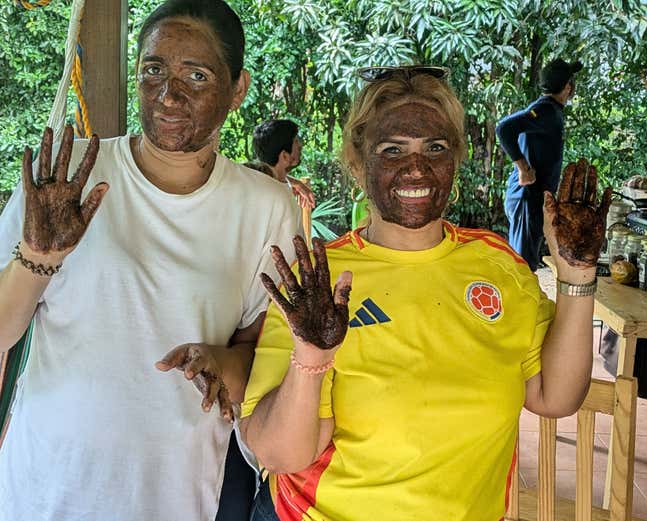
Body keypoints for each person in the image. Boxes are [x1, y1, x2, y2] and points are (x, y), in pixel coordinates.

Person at [0, 1, 300, 520]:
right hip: (41, 493)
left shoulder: (266, 208)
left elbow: (264, 355)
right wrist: (36, 256)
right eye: (154, 70)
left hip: (172, 498)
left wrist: (222, 364)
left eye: (197, 75)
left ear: (238, 90)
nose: (169, 94)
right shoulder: (70, 175)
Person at [239, 65, 611, 521]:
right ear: (358, 162)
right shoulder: (321, 279)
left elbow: (555, 397)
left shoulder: (497, 266)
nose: (416, 167)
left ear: (455, 157)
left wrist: (576, 274)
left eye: (434, 148)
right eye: (393, 150)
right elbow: (280, 455)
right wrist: (311, 356)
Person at [496, 58, 584, 271]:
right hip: (526, 197)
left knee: (527, 262)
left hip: (534, 199)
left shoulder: (549, 110)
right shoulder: (544, 111)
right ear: (568, 87)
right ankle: (518, 304)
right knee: (522, 267)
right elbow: (504, 128)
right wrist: (523, 168)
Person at [253, 119, 316, 209]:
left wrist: (295, 183)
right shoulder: (283, 200)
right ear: (285, 156)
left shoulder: (255, 187)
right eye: (296, 141)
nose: (300, 146)